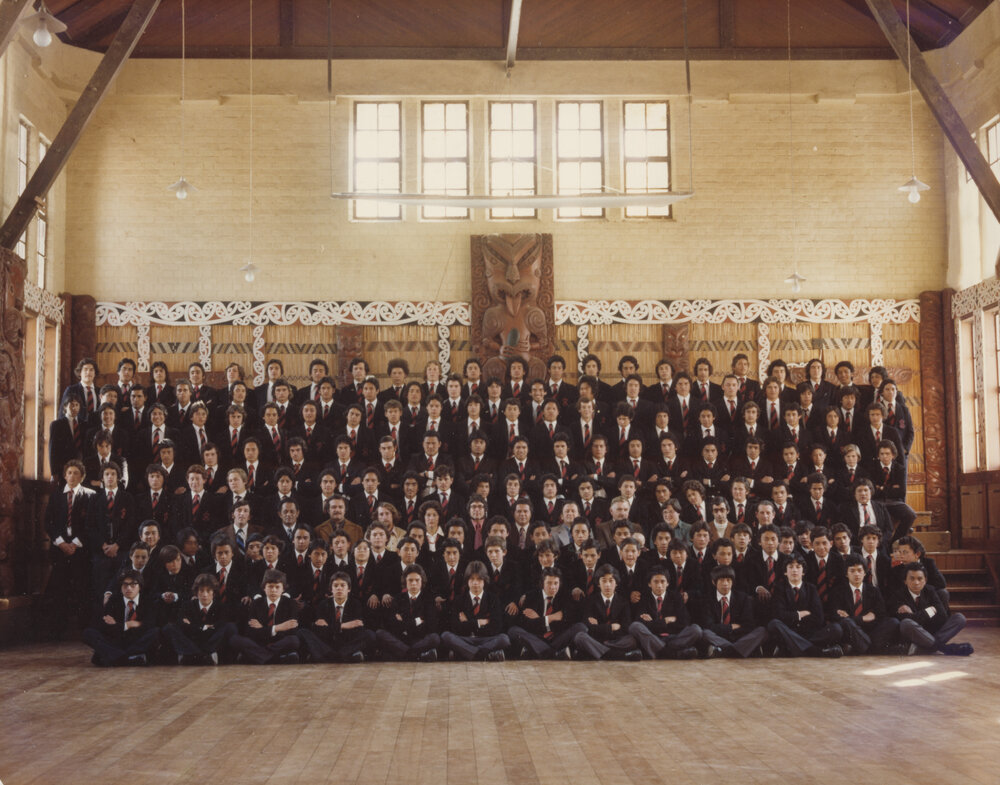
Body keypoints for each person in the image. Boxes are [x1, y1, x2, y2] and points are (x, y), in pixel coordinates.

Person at [765, 554, 844, 658]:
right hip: (789, 631)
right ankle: (818, 651)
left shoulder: (811, 588)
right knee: (774, 624)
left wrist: (792, 618)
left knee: (836, 629)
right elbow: (778, 614)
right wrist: (799, 615)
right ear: (785, 572)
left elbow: (818, 618)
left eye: (798, 567)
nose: (794, 570)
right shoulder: (779, 588)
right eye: (791, 567)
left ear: (803, 572)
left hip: (808, 633)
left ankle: (794, 648)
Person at [890, 563, 973, 656]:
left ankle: (924, 648)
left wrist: (916, 616)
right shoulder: (898, 595)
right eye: (912, 579)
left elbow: (942, 616)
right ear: (905, 581)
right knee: (906, 623)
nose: (916, 582)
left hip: (931, 632)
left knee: (960, 618)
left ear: (925, 580)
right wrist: (929, 612)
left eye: (920, 579)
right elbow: (906, 621)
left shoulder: (930, 590)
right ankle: (944, 648)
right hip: (915, 634)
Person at [82, 569, 160, 666]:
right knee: (88, 633)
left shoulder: (148, 601)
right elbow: (105, 627)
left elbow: (149, 624)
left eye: (133, 585)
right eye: (125, 585)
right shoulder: (113, 601)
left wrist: (117, 624)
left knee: (155, 632)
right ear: (120, 587)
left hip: (136, 641)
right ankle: (127, 658)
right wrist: (128, 625)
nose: (128, 588)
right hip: (117, 640)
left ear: (140, 587)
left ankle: (115, 657)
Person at [830, 554, 901, 656]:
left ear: (865, 573)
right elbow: (836, 616)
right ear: (846, 574)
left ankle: (862, 647)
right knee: (846, 623)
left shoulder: (874, 590)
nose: (856, 574)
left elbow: (881, 614)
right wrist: (862, 618)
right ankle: (870, 648)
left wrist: (851, 618)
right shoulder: (838, 591)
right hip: (851, 632)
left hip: (871, 630)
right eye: (852, 571)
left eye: (859, 570)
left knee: (893, 622)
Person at [229, 568, 304, 664]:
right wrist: (278, 628)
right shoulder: (256, 603)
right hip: (260, 643)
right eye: (270, 587)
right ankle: (276, 659)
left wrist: (263, 629)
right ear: (264, 588)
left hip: (279, 643)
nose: (273, 590)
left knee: (293, 640)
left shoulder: (291, 604)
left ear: (283, 589)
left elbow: (292, 631)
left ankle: (258, 656)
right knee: (235, 639)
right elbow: (251, 632)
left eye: (277, 587)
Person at [440, 561, 511, 661]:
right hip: (466, 639)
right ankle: (483, 654)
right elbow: (455, 627)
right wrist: (479, 623)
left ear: (484, 580)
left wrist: (468, 622)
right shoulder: (459, 600)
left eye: (479, 579)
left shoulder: (493, 599)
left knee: (504, 639)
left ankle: (467, 653)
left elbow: (496, 627)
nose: (475, 583)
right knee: (446, 636)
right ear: (467, 581)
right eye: (472, 579)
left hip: (486, 640)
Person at [628, 566, 702, 660]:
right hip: (653, 637)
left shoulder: (676, 597)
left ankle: (660, 651)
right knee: (635, 626)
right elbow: (641, 622)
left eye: (662, 581)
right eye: (656, 582)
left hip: (674, 638)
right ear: (649, 584)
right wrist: (666, 621)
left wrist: (653, 623)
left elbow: (684, 622)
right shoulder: (644, 598)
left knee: (696, 630)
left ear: (667, 583)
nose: (659, 585)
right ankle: (673, 654)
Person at [696, 565, 770, 658]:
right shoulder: (707, 600)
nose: (725, 584)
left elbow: (748, 625)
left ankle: (725, 651)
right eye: (721, 580)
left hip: (739, 637)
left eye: (728, 580)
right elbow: (708, 626)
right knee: (705, 633)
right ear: (714, 582)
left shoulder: (743, 598)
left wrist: (726, 629)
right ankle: (739, 650)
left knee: (762, 631)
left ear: (733, 582)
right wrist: (731, 627)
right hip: (718, 637)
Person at [162, 573, 237, 665]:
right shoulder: (187, 605)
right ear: (196, 592)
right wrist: (203, 627)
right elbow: (183, 626)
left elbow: (219, 627)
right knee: (169, 628)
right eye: (201, 591)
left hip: (211, 642)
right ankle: (201, 656)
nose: (205, 595)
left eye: (208, 591)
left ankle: (194, 656)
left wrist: (194, 626)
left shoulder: (221, 607)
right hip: (192, 642)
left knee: (230, 627)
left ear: (213, 592)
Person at [572, 564, 643, 661]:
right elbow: (588, 627)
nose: (607, 585)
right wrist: (611, 627)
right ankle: (621, 656)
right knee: (580, 637)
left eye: (611, 581)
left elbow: (625, 627)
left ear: (616, 583)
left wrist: (600, 627)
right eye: (604, 581)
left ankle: (596, 651)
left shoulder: (623, 602)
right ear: (598, 583)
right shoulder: (591, 601)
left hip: (615, 640)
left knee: (631, 640)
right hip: (596, 639)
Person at [375, 564, 441, 661]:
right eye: (410, 580)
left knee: (435, 638)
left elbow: (431, 626)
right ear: (405, 581)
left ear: (422, 581)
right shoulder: (397, 599)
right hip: (401, 639)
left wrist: (404, 622)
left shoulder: (429, 599)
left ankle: (404, 654)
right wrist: (417, 621)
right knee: (379, 633)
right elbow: (392, 625)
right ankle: (417, 656)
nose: (414, 583)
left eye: (417, 580)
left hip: (419, 640)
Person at [311, 571, 377, 662]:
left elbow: (358, 628)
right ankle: (346, 656)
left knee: (370, 634)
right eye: (335, 586)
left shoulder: (355, 604)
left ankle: (335, 656)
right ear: (331, 589)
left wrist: (331, 627)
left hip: (348, 643)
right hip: (329, 642)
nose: (339, 588)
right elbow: (320, 630)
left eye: (342, 585)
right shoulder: (323, 604)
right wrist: (343, 626)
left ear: (349, 589)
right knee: (303, 632)